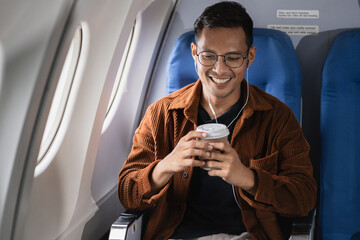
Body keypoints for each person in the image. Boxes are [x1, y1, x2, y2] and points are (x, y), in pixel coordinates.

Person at [118, 1, 317, 240]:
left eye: (233, 57)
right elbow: (127, 193)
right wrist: (167, 165)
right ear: (194, 53)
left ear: (249, 57)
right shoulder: (161, 114)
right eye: (209, 56)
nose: (220, 69)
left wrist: (247, 178)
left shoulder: (277, 117)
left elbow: (304, 199)